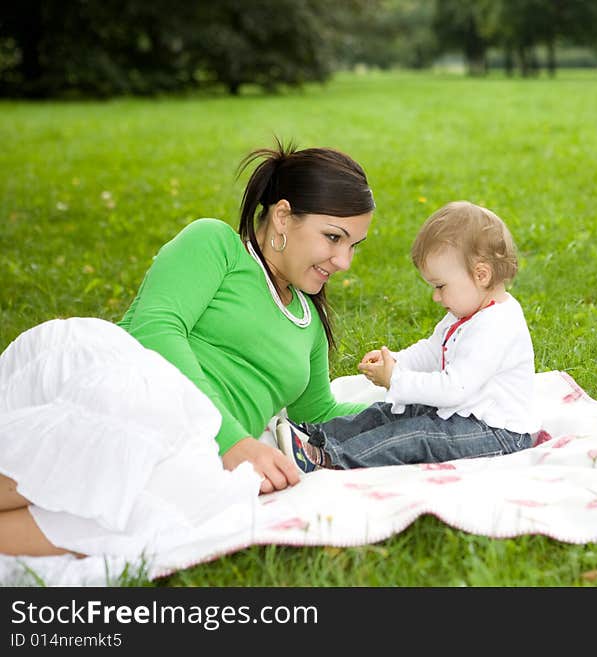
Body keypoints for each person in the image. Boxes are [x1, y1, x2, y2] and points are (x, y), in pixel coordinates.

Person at [0, 139, 376, 557]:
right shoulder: (217, 246)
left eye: (353, 246)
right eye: (333, 237)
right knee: (125, 446)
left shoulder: (308, 323)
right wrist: (230, 439)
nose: (344, 261)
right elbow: (155, 330)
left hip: (191, 450)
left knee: (175, 510)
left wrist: (410, 403)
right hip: (131, 394)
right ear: (284, 217)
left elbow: (319, 414)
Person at [282, 200, 539, 471]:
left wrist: (396, 379)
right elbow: (431, 350)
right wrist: (396, 361)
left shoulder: (497, 325)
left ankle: (328, 458)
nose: (436, 296)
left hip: (495, 432)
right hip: (461, 414)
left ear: (481, 275)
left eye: (440, 286)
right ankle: (316, 434)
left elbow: (454, 389)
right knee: (391, 410)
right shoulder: (464, 313)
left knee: (416, 437)